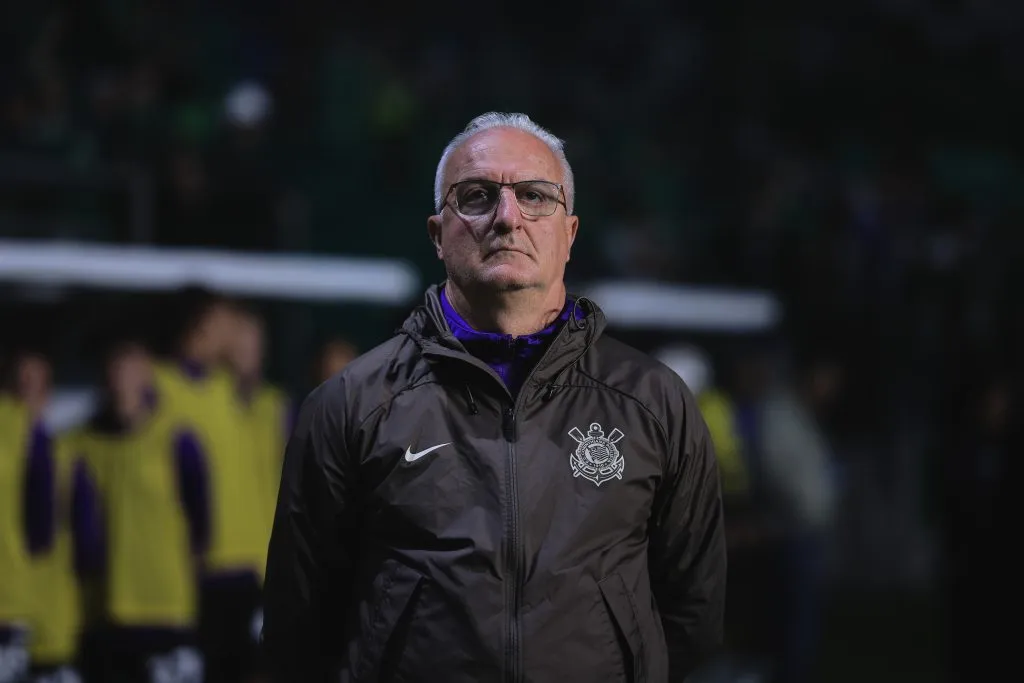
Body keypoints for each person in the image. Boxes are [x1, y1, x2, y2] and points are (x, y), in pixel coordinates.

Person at [263, 112, 726, 683]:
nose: (508, 218)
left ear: (570, 233)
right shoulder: (350, 405)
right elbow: (299, 628)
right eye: (478, 196)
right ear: (437, 234)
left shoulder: (653, 402)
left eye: (534, 196)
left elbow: (692, 615)